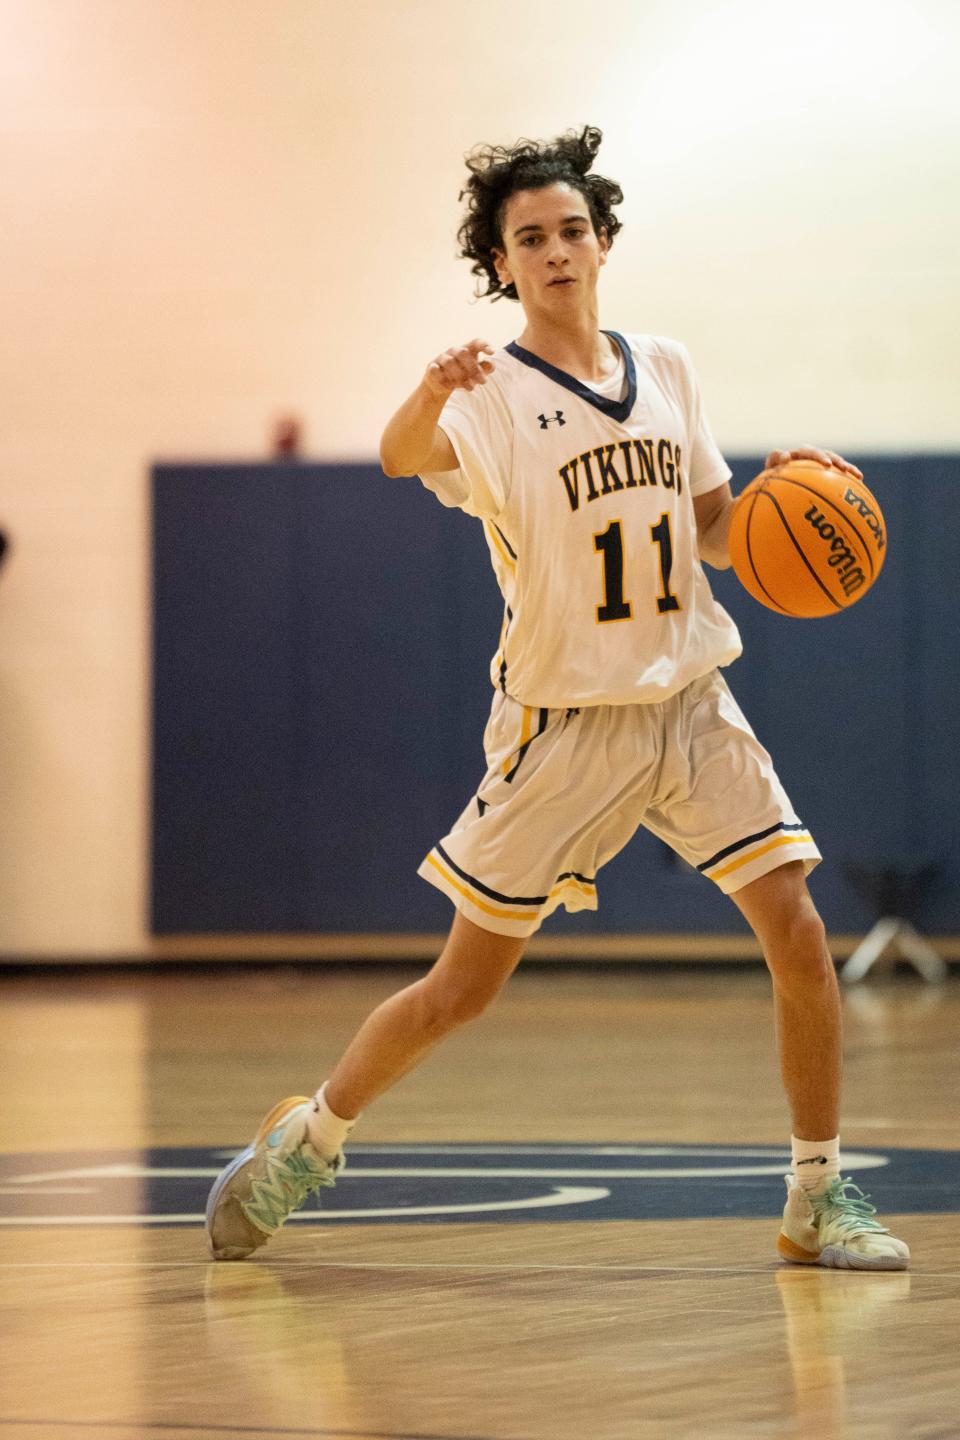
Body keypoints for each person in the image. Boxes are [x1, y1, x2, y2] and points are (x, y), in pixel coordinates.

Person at [206, 126, 908, 1271]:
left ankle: (818, 1196)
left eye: (572, 229)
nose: (558, 251)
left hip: (690, 702)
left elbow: (724, 536)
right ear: (504, 263)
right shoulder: (487, 392)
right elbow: (395, 460)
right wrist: (428, 393)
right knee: (459, 991)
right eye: (530, 238)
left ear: (603, 240)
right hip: (566, 726)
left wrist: (797, 493)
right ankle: (308, 1138)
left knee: (800, 929)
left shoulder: (668, 367)